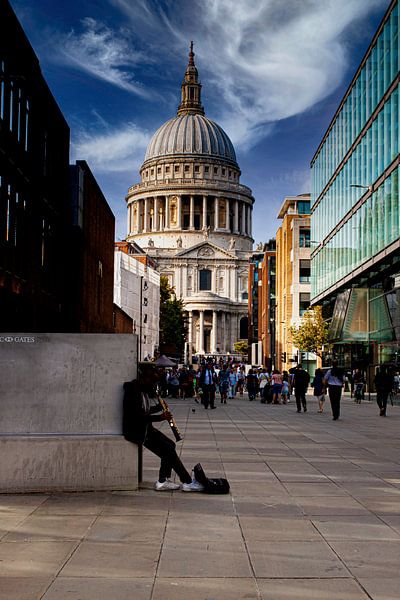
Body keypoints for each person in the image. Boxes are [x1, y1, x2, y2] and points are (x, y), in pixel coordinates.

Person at [123, 363, 203, 492]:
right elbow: (136, 416)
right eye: (151, 381)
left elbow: (145, 411)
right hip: (137, 431)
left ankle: (163, 480)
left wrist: (159, 408)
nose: (152, 385)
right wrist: (160, 417)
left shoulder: (142, 390)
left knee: (170, 445)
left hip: (145, 428)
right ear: (144, 377)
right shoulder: (133, 390)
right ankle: (187, 482)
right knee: (167, 449)